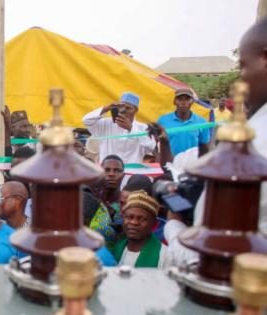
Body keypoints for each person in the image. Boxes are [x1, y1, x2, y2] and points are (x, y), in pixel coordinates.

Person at [164, 17, 267, 266]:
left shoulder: (252, 142)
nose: (240, 81)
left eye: (243, 66)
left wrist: (174, 224)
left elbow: (204, 260)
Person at [82, 92, 156, 163]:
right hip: (109, 171)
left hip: (132, 172)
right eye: (121, 107)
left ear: (135, 111)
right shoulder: (105, 123)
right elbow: (86, 120)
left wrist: (131, 128)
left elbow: (151, 147)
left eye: (128, 108)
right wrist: (106, 108)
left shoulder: (143, 127)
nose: (123, 110)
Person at [111, 191, 168, 268]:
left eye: (142, 219)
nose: (134, 222)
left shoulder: (165, 255)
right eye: (129, 217)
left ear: (154, 223)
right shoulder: (116, 247)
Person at [157, 88, 210, 158]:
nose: (184, 102)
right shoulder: (163, 120)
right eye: (180, 99)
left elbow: (204, 145)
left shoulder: (201, 122)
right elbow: (156, 141)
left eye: (187, 99)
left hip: (192, 163)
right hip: (170, 162)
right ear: (174, 102)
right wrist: (158, 156)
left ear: (192, 102)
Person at [93, 155, 125, 219]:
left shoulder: (127, 204)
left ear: (123, 175)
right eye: (107, 170)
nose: (111, 174)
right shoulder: (91, 199)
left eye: (117, 170)